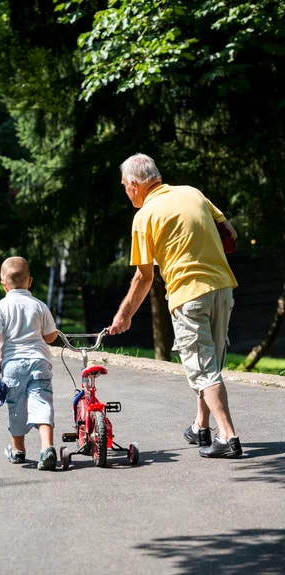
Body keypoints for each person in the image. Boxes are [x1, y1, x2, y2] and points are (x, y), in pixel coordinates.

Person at [110, 153, 243, 458]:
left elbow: (144, 278)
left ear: (134, 184)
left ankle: (229, 436)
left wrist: (124, 314)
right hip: (223, 286)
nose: (126, 192)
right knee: (209, 361)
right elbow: (230, 231)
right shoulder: (192, 193)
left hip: (188, 295)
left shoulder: (143, 217)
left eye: (124, 187)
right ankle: (200, 426)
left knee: (202, 368)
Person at [0, 256, 58, 470]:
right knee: (42, 402)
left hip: (12, 364)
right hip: (38, 362)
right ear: (30, 282)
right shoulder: (39, 305)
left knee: (16, 406)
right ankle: (47, 447)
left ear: (4, 285)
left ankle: (17, 450)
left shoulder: (1, 306)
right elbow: (51, 336)